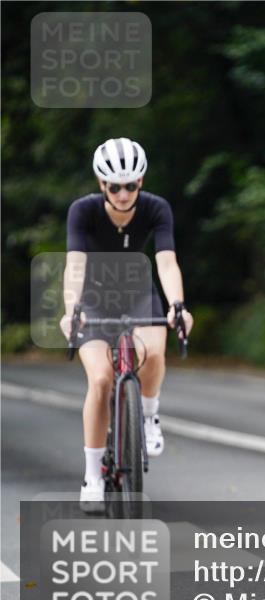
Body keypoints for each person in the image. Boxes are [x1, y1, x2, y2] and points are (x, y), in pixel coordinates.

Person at [60, 137, 194, 513]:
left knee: (153, 353)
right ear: (102, 184)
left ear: (142, 182)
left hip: (137, 291)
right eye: (114, 186)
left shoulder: (156, 208)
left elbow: (166, 262)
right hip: (94, 297)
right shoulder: (82, 211)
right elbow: (75, 265)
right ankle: (92, 476)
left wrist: (177, 306)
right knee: (101, 379)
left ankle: (148, 415)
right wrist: (72, 309)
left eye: (131, 185)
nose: (123, 193)